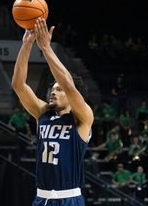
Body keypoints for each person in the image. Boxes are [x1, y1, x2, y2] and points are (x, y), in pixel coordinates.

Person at [11, 17, 93, 206]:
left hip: (69, 198)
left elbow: (68, 85)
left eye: (58, 89)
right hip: (41, 198)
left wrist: (46, 48)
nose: (53, 92)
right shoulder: (43, 114)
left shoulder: (83, 117)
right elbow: (18, 85)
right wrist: (26, 46)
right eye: (52, 89)